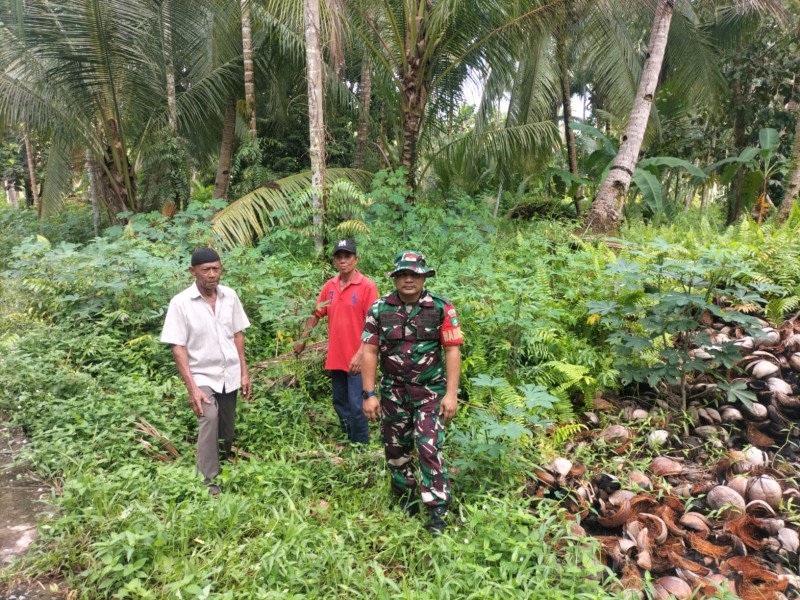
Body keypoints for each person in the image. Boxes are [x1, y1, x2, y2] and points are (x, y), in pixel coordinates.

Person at [361, 250, 463, 535]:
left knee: (429, 447)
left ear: (423, 277)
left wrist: (451, 394)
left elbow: (452, 351)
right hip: (393, 392)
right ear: (394, 278)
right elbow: (369, 351)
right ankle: (406, 499)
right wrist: (369, 394)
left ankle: (437, 511)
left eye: (414, 274)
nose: (408, 280)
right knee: (395, 448)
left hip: (430, 392)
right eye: (403, 274)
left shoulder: (442, 308)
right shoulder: (379, 309)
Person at [160, 247, 252, 495]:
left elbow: (238, 334)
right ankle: (208, 480)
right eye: (206, 270)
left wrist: (244, 371)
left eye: (216, 269)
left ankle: (226, 456)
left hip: (229, 370)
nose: (212, 274)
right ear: (193, 272)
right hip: (201, 373)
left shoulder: (229, 296)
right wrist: (191, 387)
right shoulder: (181, 303)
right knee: (208, 415)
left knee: (227, 423)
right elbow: (177, 346)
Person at [294, 239, 378, 445]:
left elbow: (374, 323)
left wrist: (361, 353)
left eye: (347, 256)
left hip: (358, 357)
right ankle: (350, 440)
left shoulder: (367, 286)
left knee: (357, 404)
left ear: (356, 259)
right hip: (337, 356)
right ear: (334, 261)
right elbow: (316, 313)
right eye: (339, 257)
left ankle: (361, 446)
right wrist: (302, 341)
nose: (343, 261)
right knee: (339, 402)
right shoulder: (329, 286)